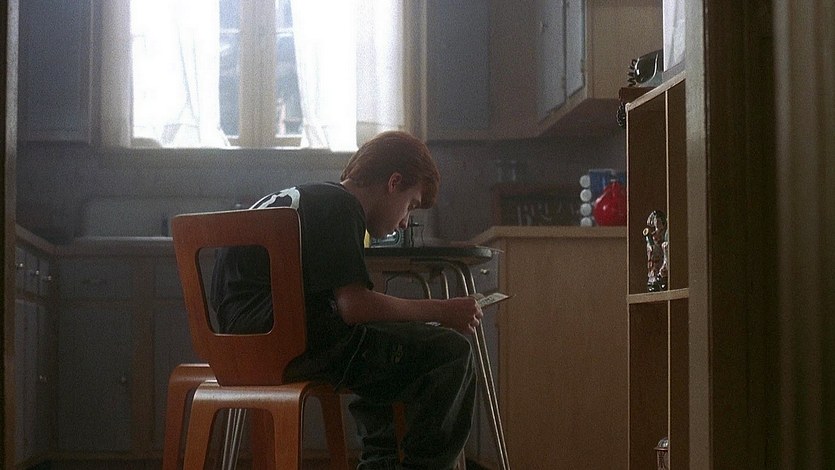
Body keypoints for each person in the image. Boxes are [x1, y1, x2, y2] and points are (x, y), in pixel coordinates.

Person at [210, 131, 483, 470]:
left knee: (380, 345)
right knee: (451, 353)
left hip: (239, 346)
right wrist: (442, 310)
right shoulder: (341, 205)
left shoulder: (305, 198)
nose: (404, 222)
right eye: (410, 205)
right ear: (394, 182)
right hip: (286, 344)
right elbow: (354, 306)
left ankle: (381, 463)